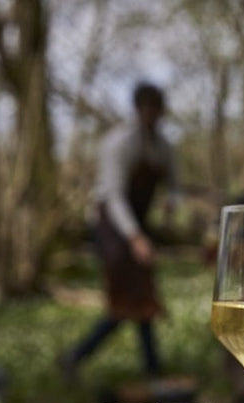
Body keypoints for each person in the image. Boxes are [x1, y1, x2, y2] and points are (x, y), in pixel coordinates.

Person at [61, 82, 178, 381]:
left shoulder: (164, 146)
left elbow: (173, 184)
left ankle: (150, 368)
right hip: (111, 226)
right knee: (126, 301)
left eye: (156, 108)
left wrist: (170, 204)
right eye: (146, 108)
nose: (152, 114)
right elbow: (113, 196)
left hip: (138, 225)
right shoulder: (120, 143)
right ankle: (78, 356)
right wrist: (134, 237)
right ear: (138, 109)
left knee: (140, 299)